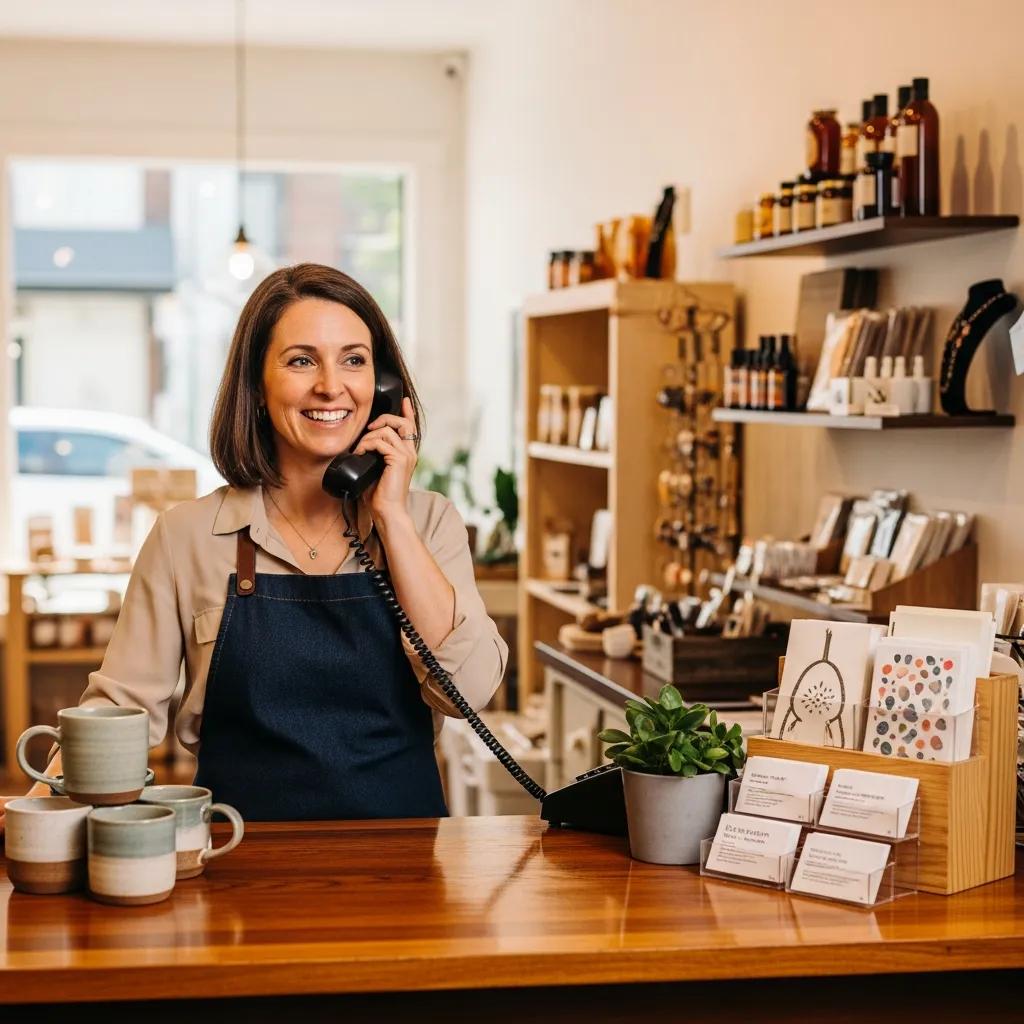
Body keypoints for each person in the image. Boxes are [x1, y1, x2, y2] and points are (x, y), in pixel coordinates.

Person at [1, 263, 506, 826]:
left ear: (383, 388)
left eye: (354, 359)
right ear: (258, 387)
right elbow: (119, 711)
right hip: (235, 854)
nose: (330, 385)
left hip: (402, 860)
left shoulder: (428, 523)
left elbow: (470, 692)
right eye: (301, 360)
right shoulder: (184, 537)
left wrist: (391, 516)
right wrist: (34, 815)